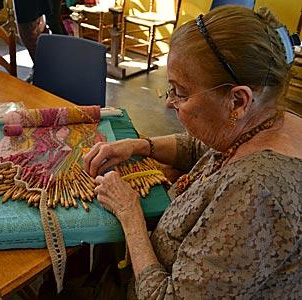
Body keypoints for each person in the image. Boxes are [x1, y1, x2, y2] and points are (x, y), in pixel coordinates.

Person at [83, 5, 302, 299]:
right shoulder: (269, 118)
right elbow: (202, 147)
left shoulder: (255, 192)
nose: (168, 103)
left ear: (237, 101)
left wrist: (129, 214)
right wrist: (139, 145)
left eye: (180, 93)